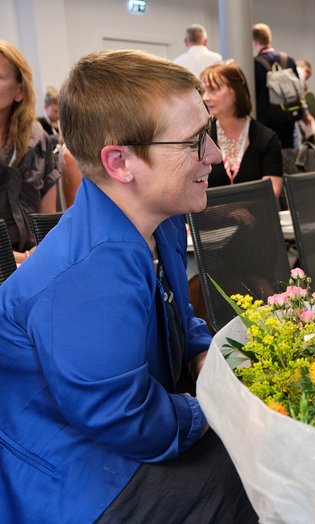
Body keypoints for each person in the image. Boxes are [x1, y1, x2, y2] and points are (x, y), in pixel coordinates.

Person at [0, 49, 257, 522]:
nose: (216, 155)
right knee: (253, 481)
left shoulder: (159, 222)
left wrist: (202, 353)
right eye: (195, 140)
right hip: (71, 476)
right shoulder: (87, 275)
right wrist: (213, 408)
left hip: (110, 433)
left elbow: (177, 316)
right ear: (120, 162)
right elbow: (124, 415)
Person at [0, 40, 60, 265]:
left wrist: (36, 255)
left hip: (35, 261)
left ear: (19, 91)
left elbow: (46, 220)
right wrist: (20, 258)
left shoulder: (38, 139)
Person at [202, 61, 283, 198]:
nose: (205, 97)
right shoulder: (203, 138)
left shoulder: (266, 138)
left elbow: (272, 190)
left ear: (235, 91)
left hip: (255, 216)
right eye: (204, 91)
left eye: (213, 89)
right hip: (213, 218)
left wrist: (245, 209)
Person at [252, 22, 300, 149]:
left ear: (254, 41)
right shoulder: (288, 59)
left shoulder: (255, 64)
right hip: (288, 116)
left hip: (266, 120)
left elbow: (254, 93)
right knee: (289, 152)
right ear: (269, 39)